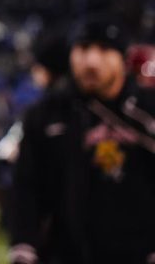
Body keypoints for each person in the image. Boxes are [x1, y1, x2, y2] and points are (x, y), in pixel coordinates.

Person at [8, 15, 155, 264]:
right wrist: (24, 244)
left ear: (123, 59)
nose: (91, 61)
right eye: (84, 48)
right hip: (64, 254)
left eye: (104, 50)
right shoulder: (45, 115)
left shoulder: (148, 112)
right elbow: (26, 186)